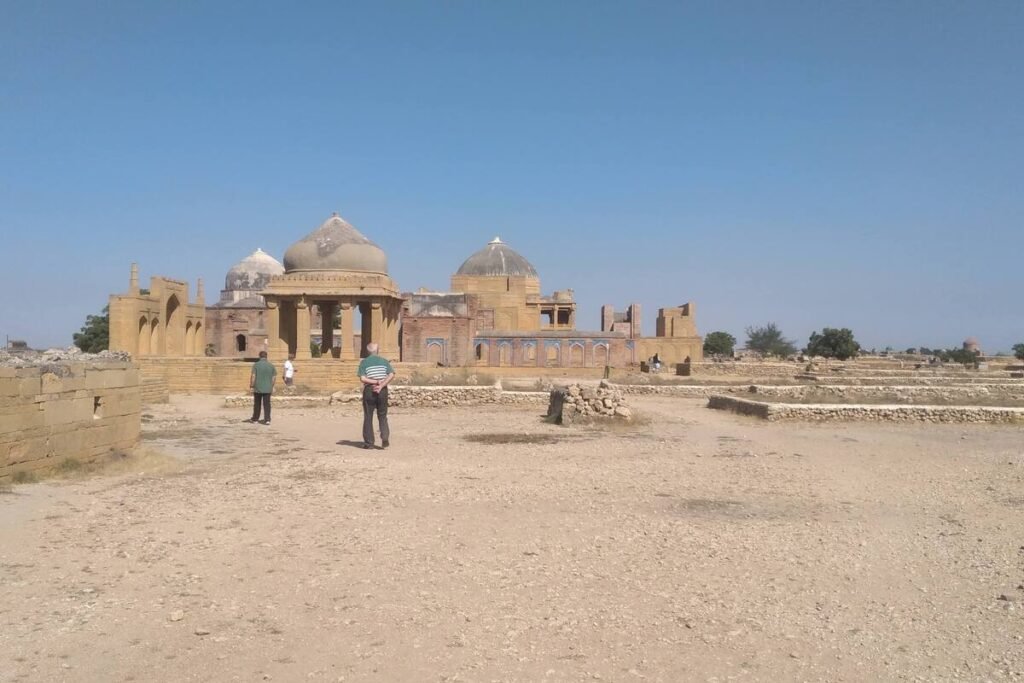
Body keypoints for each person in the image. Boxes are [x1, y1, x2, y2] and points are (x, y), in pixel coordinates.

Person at [357, 342, 394, 449]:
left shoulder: (364, 362)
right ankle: (385, 436)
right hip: (382, 391)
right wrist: (381, 384)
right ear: (377, 350)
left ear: (368, 351)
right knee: (382, 415)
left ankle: (369, 443)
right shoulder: (384, 361)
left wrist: (375, 382)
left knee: (368, 416)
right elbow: (391, 374)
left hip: (369, 390)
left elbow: (363, 378)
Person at [249, 350, 276, 425]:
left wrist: (251, 386)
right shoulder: (271, 365)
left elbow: (253, 376)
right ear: (266, 356)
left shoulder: (256, 365)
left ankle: (255, 419)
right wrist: (271, 385)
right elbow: (274, 377)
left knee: (257, 404)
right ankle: (267, 419)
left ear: (259, 356)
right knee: (267, 404)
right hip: (268, 388)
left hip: (258, 388)